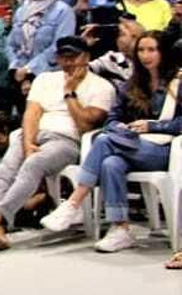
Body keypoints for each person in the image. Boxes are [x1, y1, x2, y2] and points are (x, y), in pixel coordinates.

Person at [0, 37, 115, 254]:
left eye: (73, 57)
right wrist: (28, 142)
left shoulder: (102, 87)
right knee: (5, 170)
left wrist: (70, 92)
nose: (68, 63)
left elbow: (86, 125)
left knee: (34, 164)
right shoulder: (45, 79)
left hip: (67, 141)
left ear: (86, 57)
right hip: (32, 134)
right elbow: (32, 113)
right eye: (63, 57)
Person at [41, 34, 178, 252]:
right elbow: (112, 118)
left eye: (151, 50)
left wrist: (153, 126)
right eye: (141, 50)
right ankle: (120, 228)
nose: (145, 56)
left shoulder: (177, 82)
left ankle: (74, 202)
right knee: (111, 163)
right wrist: (121, 129)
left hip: (166, 151)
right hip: (130, 145)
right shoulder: (132, 84)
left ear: (163, 52)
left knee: (104, 141)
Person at [7, 0, 75, 87]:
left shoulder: (63, 10)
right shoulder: (21, 11)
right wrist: (16, 66)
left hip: (49, 76)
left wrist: (30, 69)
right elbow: (11, 43)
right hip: (19, 77)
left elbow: (59, 46)